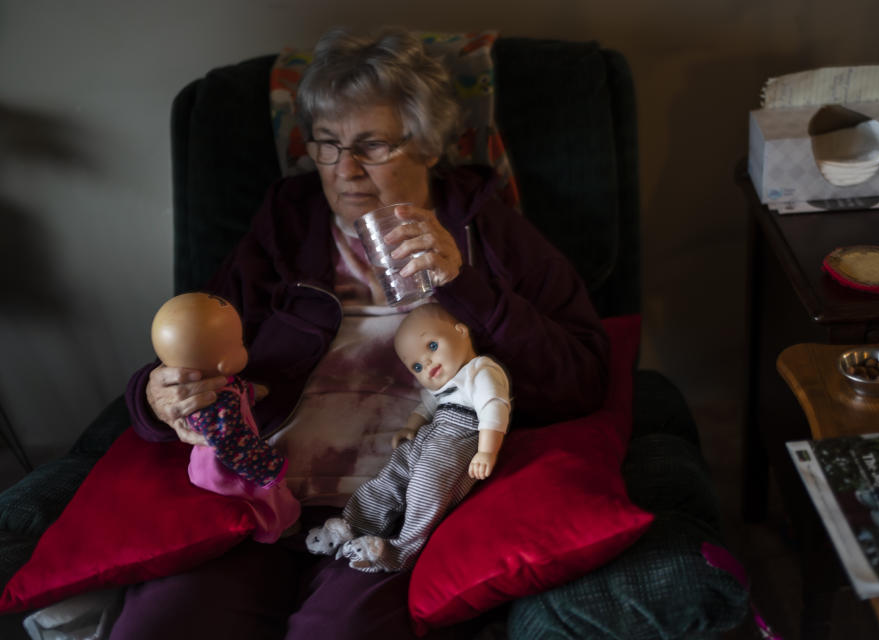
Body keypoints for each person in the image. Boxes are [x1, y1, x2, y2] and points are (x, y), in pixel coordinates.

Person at [114, 26, 608, 640]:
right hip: (261, 496)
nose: (344, 170)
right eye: (326, 143)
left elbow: (583, 377)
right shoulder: (286, 225)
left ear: (428, 147)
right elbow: (195, 347)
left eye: (372, 147)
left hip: (394, 511)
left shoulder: (488, 231)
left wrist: (465, 283)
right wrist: (155, 397)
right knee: (164, 626)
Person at [306, 303, 510, 571]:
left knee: (425, 492)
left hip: (460, 438)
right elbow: (425, 407)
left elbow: (493, 406)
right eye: (416, 366)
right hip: (430, 435)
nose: (426, 363)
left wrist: (487, 450)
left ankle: (397, 551)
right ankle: (353, 524)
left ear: (461, 332)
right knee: (390, 477)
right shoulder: (441, 388)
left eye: (432, 346)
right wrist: (409, 427)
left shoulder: (479, 370)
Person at [150, 292, 300, 543]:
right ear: (222, 361)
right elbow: (229, 441)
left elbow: (241, 389)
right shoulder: (214, 405)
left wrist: (255, 392)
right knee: (264, 496)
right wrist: (266, 466)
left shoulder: (227, 385)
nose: (245, 347)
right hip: (226, 466)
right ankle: (277, 527)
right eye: (240, 343)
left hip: (225, 457)